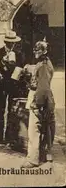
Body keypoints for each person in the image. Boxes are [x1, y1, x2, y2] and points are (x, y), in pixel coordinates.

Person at [21, 39, 55, 168]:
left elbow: (43, 88)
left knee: (34, 129)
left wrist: (37, 104)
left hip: (40, 98)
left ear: (44, 51)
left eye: (39, 49)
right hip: (47, 99)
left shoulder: (43, 65)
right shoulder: (44, 63)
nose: (35, 51)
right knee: (47, 128)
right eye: (35, 49)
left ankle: (33, 159)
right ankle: (46, 155)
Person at [0, 30, 25, 145]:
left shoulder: (19, 54)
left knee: (12, 111)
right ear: (5, 42)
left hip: (13, 86)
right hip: (0, 86)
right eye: (9, 42)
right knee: (0, 110)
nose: (11, 44)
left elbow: (21, 70)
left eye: (13, 42)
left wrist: (13, 68)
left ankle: (9, 136)